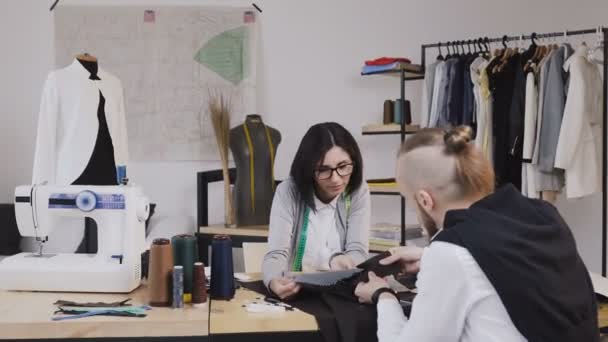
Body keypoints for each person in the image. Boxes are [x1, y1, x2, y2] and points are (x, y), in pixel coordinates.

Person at [355, 126, 599, 341]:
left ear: (425, 200)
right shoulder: (542, 215)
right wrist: (428, 256)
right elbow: (503, 262)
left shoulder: (451, 252)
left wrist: (383, 296)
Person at [262, 122, 371, 299]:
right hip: (296, 293)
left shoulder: (357, 191)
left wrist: (346, 261)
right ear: (308, 169)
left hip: (340, 292)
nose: (336, 179)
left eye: (343, 167)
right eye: (323, 170)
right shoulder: (288, 191)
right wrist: (273, 280)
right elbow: (277, 253)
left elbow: (358, 250)